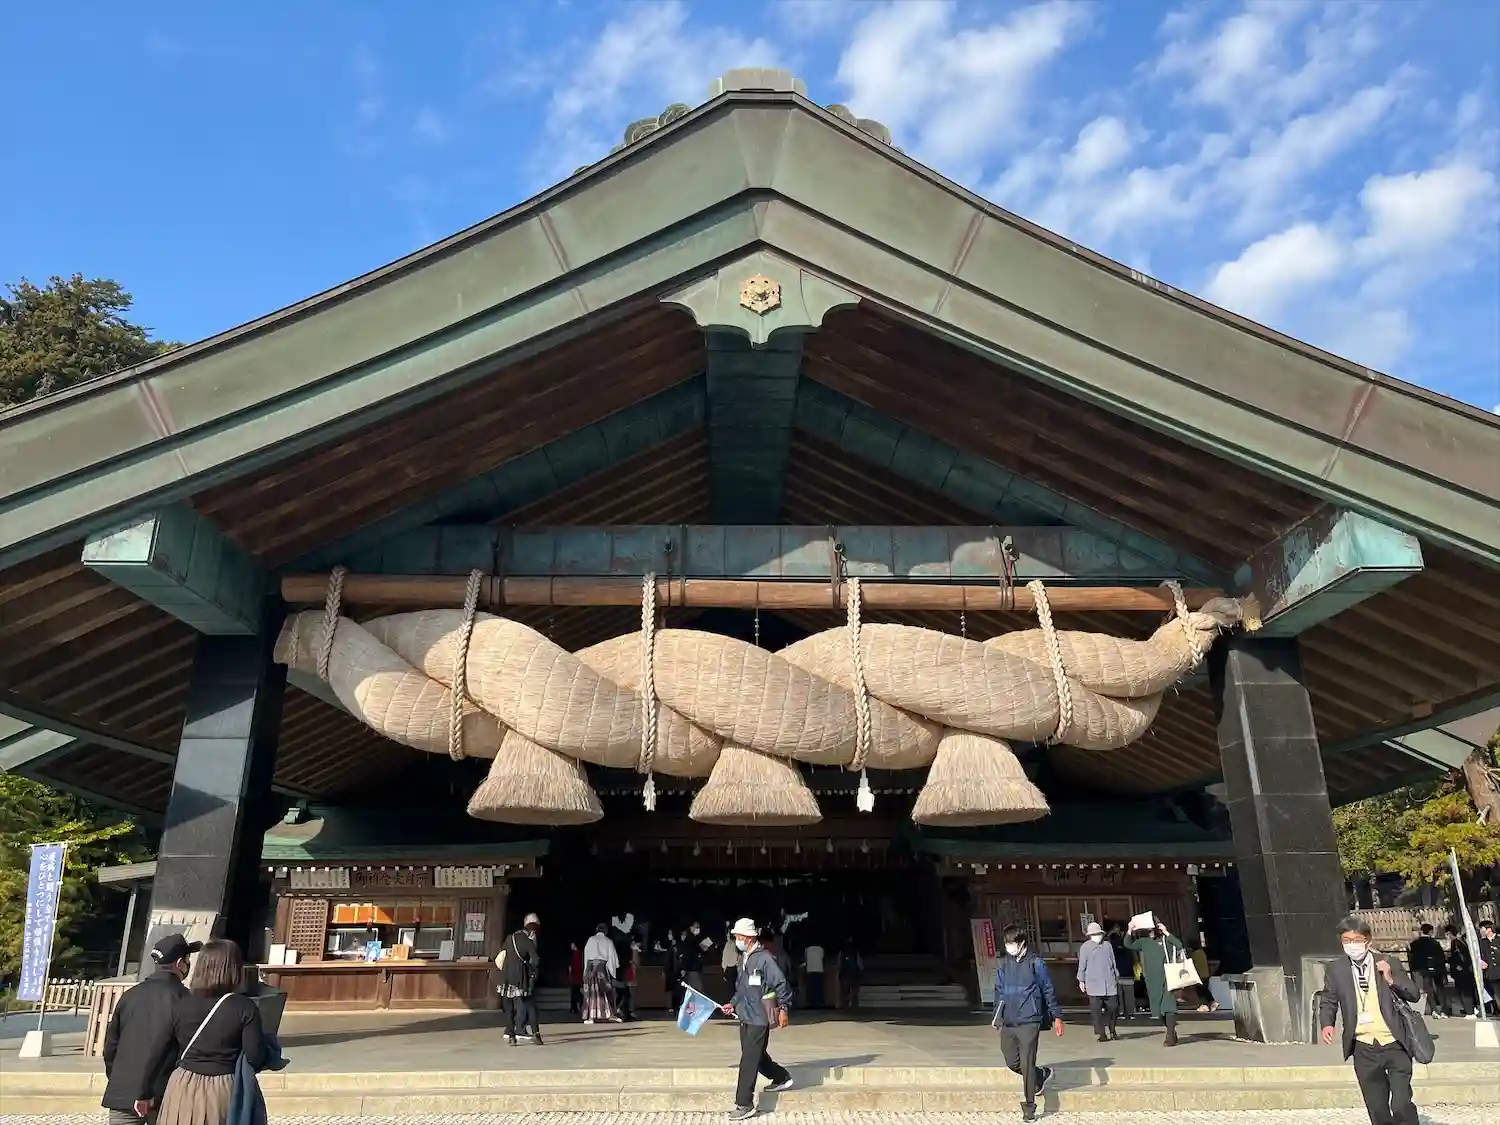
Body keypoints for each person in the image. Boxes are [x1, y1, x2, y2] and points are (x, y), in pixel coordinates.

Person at [1318, 916, 1422, 1125]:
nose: (1352, 945)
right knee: (1377, 1107)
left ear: (1367, 941)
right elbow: (1329, 999)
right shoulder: (1336, 968)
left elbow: (1414, 994)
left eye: (1356, 940)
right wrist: (1327, 1023)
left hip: (1394, 1042)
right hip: (1363, 1046)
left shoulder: (1388, 962)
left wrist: (1390, 978)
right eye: (1346, 940)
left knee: (1400, 1103)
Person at [155, 939, 267, 1125]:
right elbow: (255, 1057)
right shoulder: (244, 1007)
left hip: (182, 1085)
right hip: (222, 1087)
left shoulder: (182, 1003)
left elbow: (164, 1048)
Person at [101, 934, 200, 1125]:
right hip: (164, 1096)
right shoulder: (185, 999)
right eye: (188, 959)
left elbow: (110, 1048)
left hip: (123, 1092)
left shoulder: (130, 996)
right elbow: (188, 1051)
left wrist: (119, 1080)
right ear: (180, 963)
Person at [718, 918, 793, 1121]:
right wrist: (732, 1003)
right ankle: (781, 1077)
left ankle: (744, 1104)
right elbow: (742, 988)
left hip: (759, 1018)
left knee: (748, 1060)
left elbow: (781, 983)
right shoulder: (745, 957)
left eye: (738, 937)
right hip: (745, 1015)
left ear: (748, 938)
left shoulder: (765, 959)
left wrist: (784, 1007)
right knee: (756, 1056)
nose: (736, 940)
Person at [992, 926, 1062, 1123]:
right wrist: (997, 1016)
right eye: (1007, 943)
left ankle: (1029, 1107)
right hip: (1009, 1020)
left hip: (1029, 1020)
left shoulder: (1036, 963)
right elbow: (998, 991)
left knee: (1027, 1062)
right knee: (1011, 1061)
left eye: (1012, 943)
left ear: (1021, 943)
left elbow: (1048, 989)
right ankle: (1040, 1074)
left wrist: (1057, 1016)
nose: (1009, 946)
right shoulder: (1004, 964)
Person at [1124, 917, 1184, 1047]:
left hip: (1168, 978)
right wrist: (1129, 930)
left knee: (1169, 1007)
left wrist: (1166, 932)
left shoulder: (1165, 940)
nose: (1150, 930)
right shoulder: (1144, 942)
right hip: (1152, 981)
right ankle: (1171, 1031)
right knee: (1159, 1010)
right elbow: (1128, 944)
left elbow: (1179, 945)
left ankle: (1170, 1035)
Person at [499, 913, 543, 1044]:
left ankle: (511, 1036)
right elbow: (535, 960)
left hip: (506, 978)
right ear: (532, 931)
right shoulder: (528, 942)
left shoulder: (509, 938)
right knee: (530, 1005)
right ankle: (536, 1035)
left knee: (509, 1008)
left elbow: (503, 953)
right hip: (521, 979)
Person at [1076, 921, 1119, 1042]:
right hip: (1093, 984)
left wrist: (1116, 975)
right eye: (1094, 934)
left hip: (1109, 982)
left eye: (1098, 934)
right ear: (1090, 935)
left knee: (1113, 1007)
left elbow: (1113, 962)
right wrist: (1081, 980)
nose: (1097, 936)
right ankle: (1101, 1033)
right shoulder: (1085, 947)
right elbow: (1082, 965)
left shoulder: (1107, 945)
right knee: (1096, 1011)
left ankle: (1112, 1029)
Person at [582, 922, 622, 1024]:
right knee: (604, 991)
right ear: (606, 931)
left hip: (590, 968)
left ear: (597, 929)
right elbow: (612, 958)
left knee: (591, 992)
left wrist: (585, 971)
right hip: (601, 968)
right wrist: (612, 973)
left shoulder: (590, 940)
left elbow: (586, 955)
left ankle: (590, 1017)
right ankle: (609, 1014)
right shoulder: (608, 941)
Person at [1406, 924, 1448, 1019]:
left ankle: (1434, 1009)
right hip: (1436, 968)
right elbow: (1441, 957)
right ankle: (1442, 1010)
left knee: (1429, 989)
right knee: (1439, 989)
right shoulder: (1435, 943)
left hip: (1423, 969)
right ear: (1430, 931)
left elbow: (1413, 958)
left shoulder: (1414, 944)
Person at [1107, 923, 1137, 1020]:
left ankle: (1121, 1012)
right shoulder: (1129, 948)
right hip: (1128, 974)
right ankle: (1130, 1013)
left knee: (1119, 996)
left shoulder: (1111, 950)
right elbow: (1134, 960)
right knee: (1129, 996)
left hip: (1117, 976)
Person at [1444, 924, 1475, 1016]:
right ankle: (1469, 1009)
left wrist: (1456, 964)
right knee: (1465, 990)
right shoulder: (1461, 941)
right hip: (1465, 970)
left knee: (1463, 991)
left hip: (1461, 971)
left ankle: (1469, 1011)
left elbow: (1458, 957)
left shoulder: (1455, 943)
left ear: (1449, 933)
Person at [1186, 939, 1218, 1012]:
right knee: (1203, 990)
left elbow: (1191, 965)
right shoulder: (1202, 953)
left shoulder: (1194, 955)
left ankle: (1211, 1003)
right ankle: (1206, 1005)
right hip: (1205, 974)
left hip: (1200, 976)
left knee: (1201, 991)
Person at [679, 922, 707, 997]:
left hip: (695, 968)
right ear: (691, 928)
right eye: (696, 927)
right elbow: (688, 955)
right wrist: (684, 968)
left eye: (699, 927)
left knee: (695, 990)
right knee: (697, 991)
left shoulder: (696, 939)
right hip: (693, 969)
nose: (698, 929)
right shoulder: (690, 940)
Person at [1479, 919, 1500, 1016]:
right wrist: (1481, 962)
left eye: (1482, 929)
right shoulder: (1482, 942)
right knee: (1496, 993)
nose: (1481, 931)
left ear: (1489, 929)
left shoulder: (1498, 939)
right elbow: (1479, 955)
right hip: (1491, 972)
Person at [838, 938, 863, 1010]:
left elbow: (840, 963)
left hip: (845, 974)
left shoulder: (842, 952)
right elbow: (860, 964)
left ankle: (845, 1005)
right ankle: (854, 1005)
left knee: (845, 991)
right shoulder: (856, 952)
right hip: (854, 974)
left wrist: (840, 972)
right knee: (854, 992)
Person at [803, 940, 826, 1010]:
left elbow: (806, 959)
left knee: (811, 988)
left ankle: (812, 1004)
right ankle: (818, 1004)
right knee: (818, 988)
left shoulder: (807, 949)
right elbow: (822, 958)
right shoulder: (821, 949)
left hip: (810, 970)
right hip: (819, 970)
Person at [722, 926, 741, 992]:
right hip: (736, 968)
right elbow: (739, 957)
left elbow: (725, 957)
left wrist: (724, 969)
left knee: (730, 989)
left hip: (730, 969)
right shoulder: (737, 943)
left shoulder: (729, 944)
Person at [568, 940, 584, 1016]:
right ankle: (576, 1008)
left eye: (572, 945)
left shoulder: (577, 954)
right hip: (577, 977)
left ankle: (575, 1008)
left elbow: (576, 966)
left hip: (576, 977)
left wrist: (571, 969)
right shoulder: (578, 954)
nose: (571, 946)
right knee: (576, 993)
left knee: (575, 993)